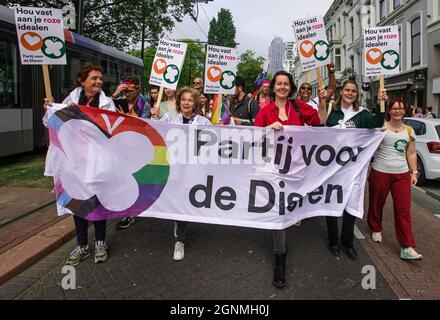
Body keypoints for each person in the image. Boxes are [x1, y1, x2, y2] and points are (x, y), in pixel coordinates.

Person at [254, 70, 328, 288]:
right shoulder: (266, 111)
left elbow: (320, 121)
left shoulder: (299, 107)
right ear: (274, 87)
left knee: (289, 208)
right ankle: (280, 257)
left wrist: (322, 101)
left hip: (296, 170)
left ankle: (291, 223)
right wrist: (269, 128)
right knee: (279, 212)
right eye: (279, 84)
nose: (282, 87)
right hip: (273, 168)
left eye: (286, 84)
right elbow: (253, 136)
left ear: (291, 87)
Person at [43, 63, 116, 266]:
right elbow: (52, 124)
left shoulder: (107, 103)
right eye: (94, 78)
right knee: (77, 203)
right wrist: (51, 109)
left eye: (100, 78)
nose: (99, 81)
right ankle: (82, 244)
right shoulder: (71, 100)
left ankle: (100, 242)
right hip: (73, 163)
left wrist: (81, 114)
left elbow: (109, 130)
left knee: (97, 200)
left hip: (96, 161)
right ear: (82, 81)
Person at [325, 79, 388, 260]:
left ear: (357, 94)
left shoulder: (362, 115)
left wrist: (380, 102)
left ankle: (348, 241)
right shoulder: (332, 112)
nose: (350, 93)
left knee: (350, 205)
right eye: (347, 90)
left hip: (353, 169)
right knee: (331, 203)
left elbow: (377, 122)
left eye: (353, 91)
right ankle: (333, 240)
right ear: (341, 91)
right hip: (332, 169)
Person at [367, 98, 422, 260]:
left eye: (401, 108)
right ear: (389, 110)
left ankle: (407, 246)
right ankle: (375, 227)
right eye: (394, 108)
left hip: (402, 175)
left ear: (405, 111)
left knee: (403, 211)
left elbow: (411, 153)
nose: (398, 111)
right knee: (377, 204)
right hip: (380, 172)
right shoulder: (381, 127)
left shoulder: (409, 131)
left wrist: (414, 172)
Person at [161, 87, 211, 261]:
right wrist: (153, 120)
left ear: (195, 103)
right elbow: (157, 134)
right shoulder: (168, 118)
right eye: (183, 99)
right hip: (174, 168)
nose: (186, 103)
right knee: (177, 201)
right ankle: (178, 233)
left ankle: (179, 233)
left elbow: (214, 142)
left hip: (193, 169)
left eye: (190, 100)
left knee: (185, 201)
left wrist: (219, 127)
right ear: (178, 102)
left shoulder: (203, 122)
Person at [111, 75, 151, 229]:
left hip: (135, 148)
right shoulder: (116, 101)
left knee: (132, 181)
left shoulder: (144, 105)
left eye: (131, 90)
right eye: (125, 90)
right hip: (119, 146)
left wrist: (128, 118)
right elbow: (101, 111)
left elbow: (145, 127)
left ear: (138, 89)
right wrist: (115, 94)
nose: (128, 93)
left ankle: (130, 213)